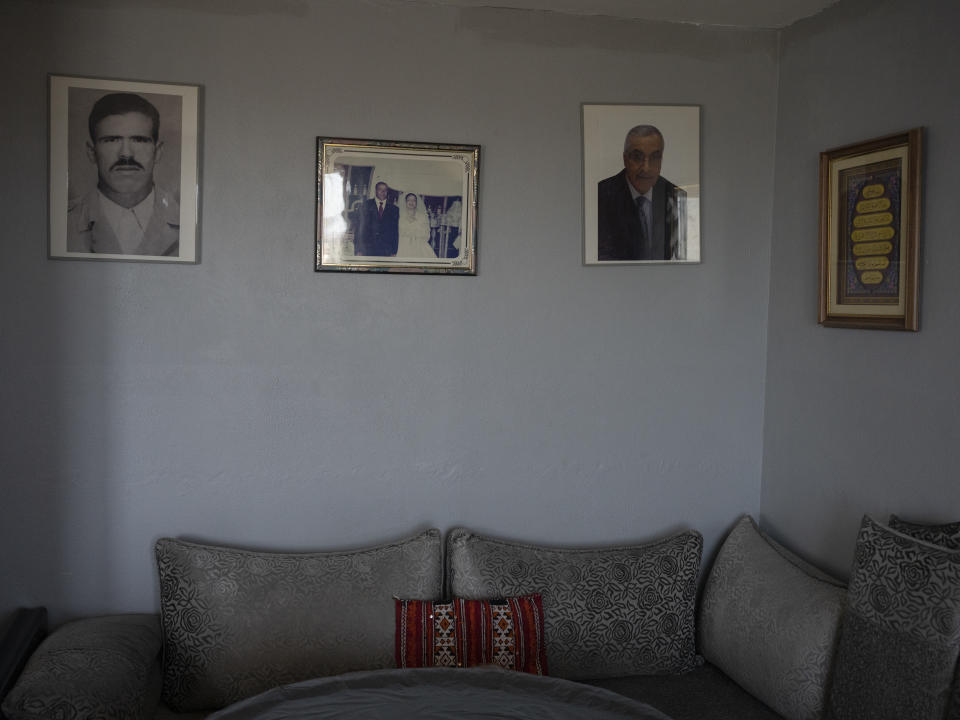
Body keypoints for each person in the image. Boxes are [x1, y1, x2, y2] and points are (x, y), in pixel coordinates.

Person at [67, 92, 180, 256]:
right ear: (92, 152)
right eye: (112, 140)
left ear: (158, 151)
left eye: (139, 140)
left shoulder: (189, 223)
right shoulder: (62, 223)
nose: (126, 154)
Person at [597, 124, 686, 261]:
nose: (646, 168)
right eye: (637, 157)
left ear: (661, 159)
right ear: (625, 159)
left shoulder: (676, 196)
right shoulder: (601, 196)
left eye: (655, 157)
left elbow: (681, 256)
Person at [355, 181, 399, 256]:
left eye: (385, 190)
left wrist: (394, 251)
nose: (383, 192)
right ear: (375, 191)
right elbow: (359, 229)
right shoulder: (366, 205)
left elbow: (395, 231)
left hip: (386, 250)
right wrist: (358, 250)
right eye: (380, 189)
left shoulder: (394, 209)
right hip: (367, 249)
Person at [396, 193, 435, 258]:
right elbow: (396, 232)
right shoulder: (399, 216)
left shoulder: (423, 217)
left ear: (416, 203)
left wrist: (415, 234)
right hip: (402, 245)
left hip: (419, 245)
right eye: (409, 200)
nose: (411, 202)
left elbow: (427, 235)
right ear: (405, 202)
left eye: (414, 200)